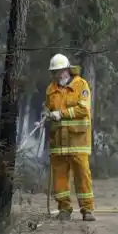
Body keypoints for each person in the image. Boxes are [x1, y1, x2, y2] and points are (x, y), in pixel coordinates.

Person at [44, 53, 95, 221]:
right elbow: (47, 109)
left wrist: (62, 113)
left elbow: (83, 109)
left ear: (66, 69)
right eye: (53, 72)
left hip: (77, 141)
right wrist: (46, 115)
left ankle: (87, 210)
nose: (56, 75)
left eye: (58, 71)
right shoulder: (51, 89)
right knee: (59, 177)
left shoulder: (81, 85)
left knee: (82, 175)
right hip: (58, 142)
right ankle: (64, 209)